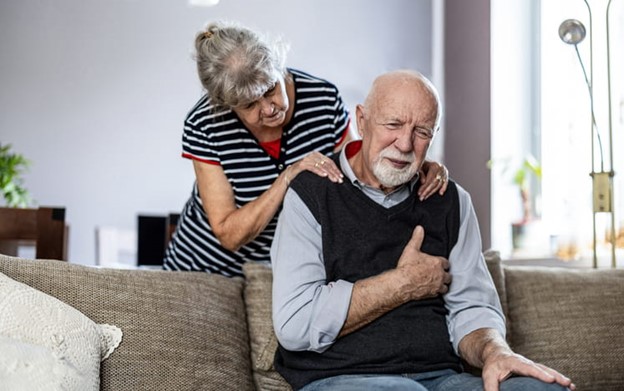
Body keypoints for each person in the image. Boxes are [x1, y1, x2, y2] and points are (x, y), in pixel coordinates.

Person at [271, 70, 575, 391]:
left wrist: (494, 352)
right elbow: (294, 324)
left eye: (422, 131)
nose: (405, 144)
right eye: (393, 125)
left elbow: (471, 308)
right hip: (340, 378)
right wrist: (403, 284)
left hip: (443, 380)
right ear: (362, 120)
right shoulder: (311, 193)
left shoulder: (451, 200)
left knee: (544, 389)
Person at [163, 21, 449, 277]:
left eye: (271, 89)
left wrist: (417, 165)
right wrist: (288, 177)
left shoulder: (323, 99)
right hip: (205, 268)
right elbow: (228, 233)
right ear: (227, 105)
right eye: (250, 105)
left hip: (287, 268)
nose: (270, 108)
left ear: (279, 67)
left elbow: (364, 171)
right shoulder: (204, 123)